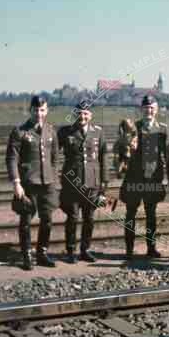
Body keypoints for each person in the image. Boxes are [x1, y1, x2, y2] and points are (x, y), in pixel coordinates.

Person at [5, 95, 59, 270]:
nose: (39, 114)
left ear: (47, 111)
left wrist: (54, 179)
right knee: (26, 220)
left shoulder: (51, 130)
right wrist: (16, 182)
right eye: (36, 110)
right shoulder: (20, 131)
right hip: (28, 182)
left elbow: (55, 158)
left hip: (47, 183)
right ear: (30, 110)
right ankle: (27, 255)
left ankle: (42, 253)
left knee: (48, 219)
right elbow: (12, 158)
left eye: (42, 110)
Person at [119, 95, 169, 259]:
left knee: (151, 215)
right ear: (141, 110)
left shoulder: (162, 129)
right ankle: (129, 249)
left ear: (156, 109)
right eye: (146, 108)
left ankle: (151, 248)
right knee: (130, 214)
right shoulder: (133, 128)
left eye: (151, 108)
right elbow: (123, 154)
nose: (149, 111)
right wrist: (127, 147)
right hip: (134, 179)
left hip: (153, 179)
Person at [57, 101, 109, 263]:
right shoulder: (65, 132)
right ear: (75, 114)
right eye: (79, 113)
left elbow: (103, 158)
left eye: (86, 113)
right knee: (72, 217)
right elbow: (53, 154)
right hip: (72, 183)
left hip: (92, 183)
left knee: (89, 218)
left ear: (90, 115)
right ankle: (71, 250)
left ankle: (85, 249)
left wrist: (104, 182)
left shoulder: (98, 132)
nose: (82, 116)